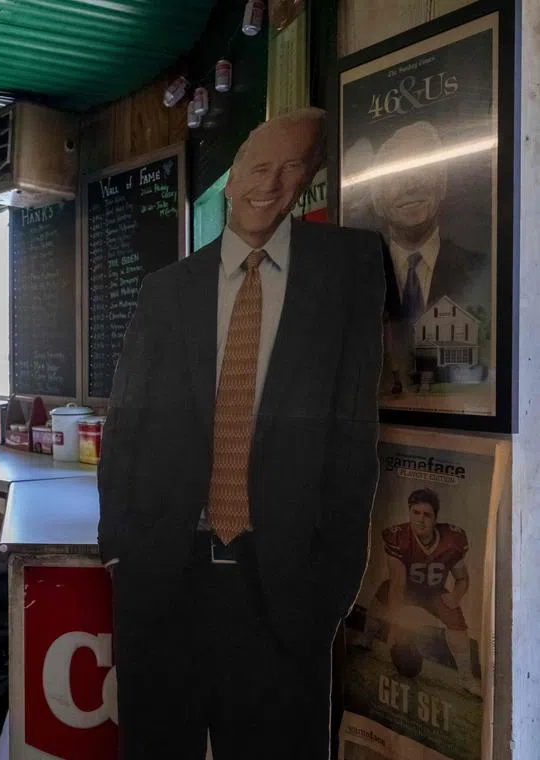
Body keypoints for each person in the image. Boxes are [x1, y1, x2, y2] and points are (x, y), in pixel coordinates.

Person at [98, 107, 385, 759]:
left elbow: (352, 439)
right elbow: (126, 426)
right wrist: (119, 547)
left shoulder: (347, 270)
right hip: (164, 580)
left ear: (309, 176)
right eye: (259, 167)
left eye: (291, 169)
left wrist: (331, 589)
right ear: (230, 180)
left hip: (282, 590)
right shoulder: (166, 290)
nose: (272, 184)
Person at [370, 122, 490, 390]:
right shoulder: (356, 280)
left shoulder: (483, 270)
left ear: (443, 184)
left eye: (422, 168)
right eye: (395, 174)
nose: (411, 184)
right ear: (377, 200)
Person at [355, 488, 479, 696]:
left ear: (435, 517)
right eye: (415, 512)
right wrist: (394, 626)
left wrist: (455, 597)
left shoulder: (452, 539)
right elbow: (397, 584)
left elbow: (462, 579)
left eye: (427, 514)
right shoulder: (398, 537)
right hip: (407, 587)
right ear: (409, 513)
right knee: (382, 594)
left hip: (435, 592)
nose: (420, 519)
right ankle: (367, 639)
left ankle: (466, 678)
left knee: (457, 623)